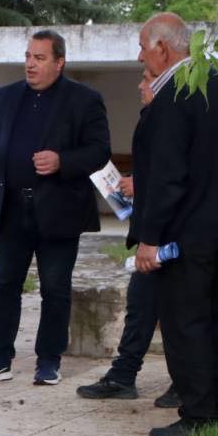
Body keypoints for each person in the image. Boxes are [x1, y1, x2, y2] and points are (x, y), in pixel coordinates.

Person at [0, 29, 110, 386]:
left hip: (59, 211)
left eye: (39, 58)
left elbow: (99, 151)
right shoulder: (6, 96)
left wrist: (62, 161)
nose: (30, 64)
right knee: (4, 284)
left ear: (59, 62)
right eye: (28, 56)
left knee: (55, 288)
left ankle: (48, 360)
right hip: (11, 208)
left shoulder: (84, 100)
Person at [131, 12, 218, 436]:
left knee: (184, 322)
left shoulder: (172, 96)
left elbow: (166, 176)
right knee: (210, 318)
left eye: (143, 46)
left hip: (187, 231)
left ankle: (198, 414)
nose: (140, 55)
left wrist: (150, 239)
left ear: (162, 48)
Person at [76, 71, 176, 407]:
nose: (140, 85)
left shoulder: (172, 116)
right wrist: (135, 182)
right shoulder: (154, 118)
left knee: (178, 312)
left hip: (172, 235)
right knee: (141, 303)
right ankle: (123, 375)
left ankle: (186, 381)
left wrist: (141, 184)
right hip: (151, 231)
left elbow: (174, 175)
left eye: (147, 78)